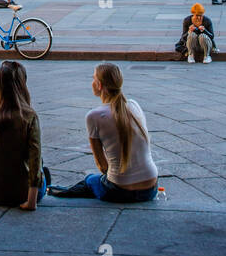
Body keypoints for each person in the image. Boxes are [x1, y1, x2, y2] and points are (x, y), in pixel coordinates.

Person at [49, 63, 158, 203]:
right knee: (95, 181)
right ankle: (58, 190)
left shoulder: (94, 116)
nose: (92, 82)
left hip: (120, 191)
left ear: (99, 85)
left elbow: (102, 165)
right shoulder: (134, 105)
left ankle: (55, 190)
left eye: (93, 79)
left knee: (90, 180)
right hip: (150, 189)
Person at [0, 61, 47, 210]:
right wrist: (31, 202)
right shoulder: (28, 116)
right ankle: (35, 193)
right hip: (20, 194)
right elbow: (34, 160)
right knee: (42, 167)